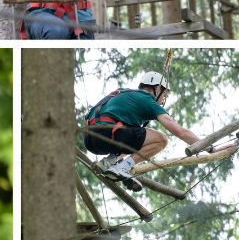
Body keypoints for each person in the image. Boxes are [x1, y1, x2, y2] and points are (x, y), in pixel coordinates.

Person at [85, 73, 230, 189]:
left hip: (90, 140)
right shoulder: (147, 100)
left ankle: (109, 162)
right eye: (165, 94)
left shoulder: (124, 93)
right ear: (157, 88)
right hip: (109, 134)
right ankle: (123, 167)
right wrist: (211, 149)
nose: (163, 100)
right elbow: (181, 132)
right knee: (161, 139)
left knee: (137, 135)